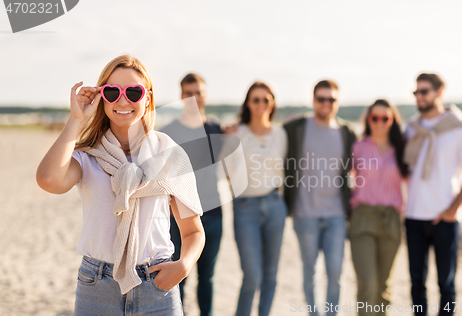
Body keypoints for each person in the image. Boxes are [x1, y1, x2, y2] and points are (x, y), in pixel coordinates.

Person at [36, 55, 205, 315]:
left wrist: (183, 266)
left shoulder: (169, 153)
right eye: (112, 91)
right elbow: (48, 180)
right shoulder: (88, 156)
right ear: (102, 98)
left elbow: (193, 232)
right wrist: (76, 119)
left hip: (157, 286)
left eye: (133, 92)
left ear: (147, 98)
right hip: (97, 287)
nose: (123, 100)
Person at [404, 73, 462, 316]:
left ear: (439, 92)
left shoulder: (460, 129)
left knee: (446, 285)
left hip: (444, 218)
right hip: (414, 215)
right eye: (416, 92)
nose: (419, 97)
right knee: (417, 283)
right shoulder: (411, 128)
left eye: (424, 91)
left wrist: (452, 210)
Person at [283, 80, 356, 315]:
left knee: (336, 271)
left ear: (337, 102)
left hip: (336, 213)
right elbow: (265, 131)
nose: (326, 103)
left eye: (331, 99)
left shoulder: (347, 132)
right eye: (321, 99)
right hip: (305, 214)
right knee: (310, 272)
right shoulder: (297, 128)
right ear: (313, 101)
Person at [221, 82, 288, 316]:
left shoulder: (281, 134)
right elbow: (225, 174)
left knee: (270, 276)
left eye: (265, 100)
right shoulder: (236, 134)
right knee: (252, 276)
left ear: (272, 104)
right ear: (248, 104)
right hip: (245, 208)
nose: (261, 104)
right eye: (255, 100)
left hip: (275, 206)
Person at [160, 73, 223, 316]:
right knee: (179, 276)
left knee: (208, 278)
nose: (194, 98)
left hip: (214, 214)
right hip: (179, 217)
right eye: (188, 93)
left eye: (198, 92)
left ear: (205, 95)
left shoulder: (217, 129)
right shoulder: (168, 133)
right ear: (181, 97)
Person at [349, 99, 409, 316]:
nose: (380, 122)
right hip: (363, 218)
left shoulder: (402, 149)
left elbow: (415, 181)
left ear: (392, 120)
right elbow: (340, 178)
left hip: (390, 221)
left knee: (384, 288)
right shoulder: (358, 147)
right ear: (368, 120)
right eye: (375, 118)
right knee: (367, 284)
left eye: (386, 118)